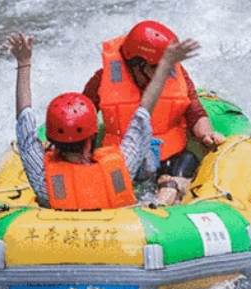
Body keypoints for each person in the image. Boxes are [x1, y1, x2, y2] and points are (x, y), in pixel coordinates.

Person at [4, 31, 201, 210]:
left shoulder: (42, 179)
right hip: (122, 237)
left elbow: (25, 123)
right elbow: (143, 114)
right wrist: (165, 65)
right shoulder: (121, 168)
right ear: (92, 139)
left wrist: (24, 63)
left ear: (51, 141)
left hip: (57, 238)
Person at [82, 20, 226, 206]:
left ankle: (165, 198)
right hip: (120, 159)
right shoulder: (103, 79)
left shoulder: (178, 75)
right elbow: (82, 118)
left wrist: (206, 134)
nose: (165, 73)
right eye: (157, 67)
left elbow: (195, 112)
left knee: (187, 160)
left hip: (168, 156)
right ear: (136, 65)